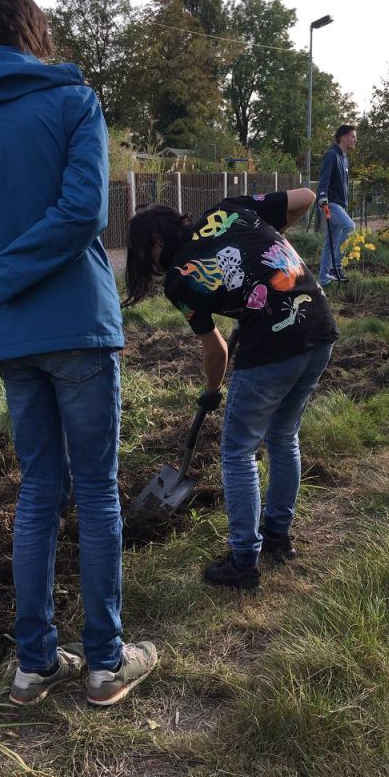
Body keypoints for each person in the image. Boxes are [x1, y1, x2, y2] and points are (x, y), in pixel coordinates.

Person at [0, 0, 156, 707]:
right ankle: (103, 665)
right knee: (93, 490)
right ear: (33, 30)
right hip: (76, 326)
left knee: (38, 491)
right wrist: (4, 272)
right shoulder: (72, 102)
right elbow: (85, 212)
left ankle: (33, 666)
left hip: (6, 332)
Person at [124, 188, 337, 590]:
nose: (149, 264)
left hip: (273, 345)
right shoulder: (230, 208)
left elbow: (216, 348)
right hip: (319, 327)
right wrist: (272, 240)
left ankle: (243, 561)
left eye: (144, 255)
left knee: (237, 451)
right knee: (282, 436)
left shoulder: (178, 279)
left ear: (155, 243)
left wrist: (211, 389)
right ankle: (277, 537)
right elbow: (306, 196)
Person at [316, 124, 358, 286]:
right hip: (331, 204)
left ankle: (324, 279)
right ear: (344, 137)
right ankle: (336, 267)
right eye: (353, 136)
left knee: (330, 243)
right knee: (350, 227)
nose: (355, 140)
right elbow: (323, 179)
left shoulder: (344, 158)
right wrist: (322, 198)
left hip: (340, 204)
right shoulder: (332, 155)